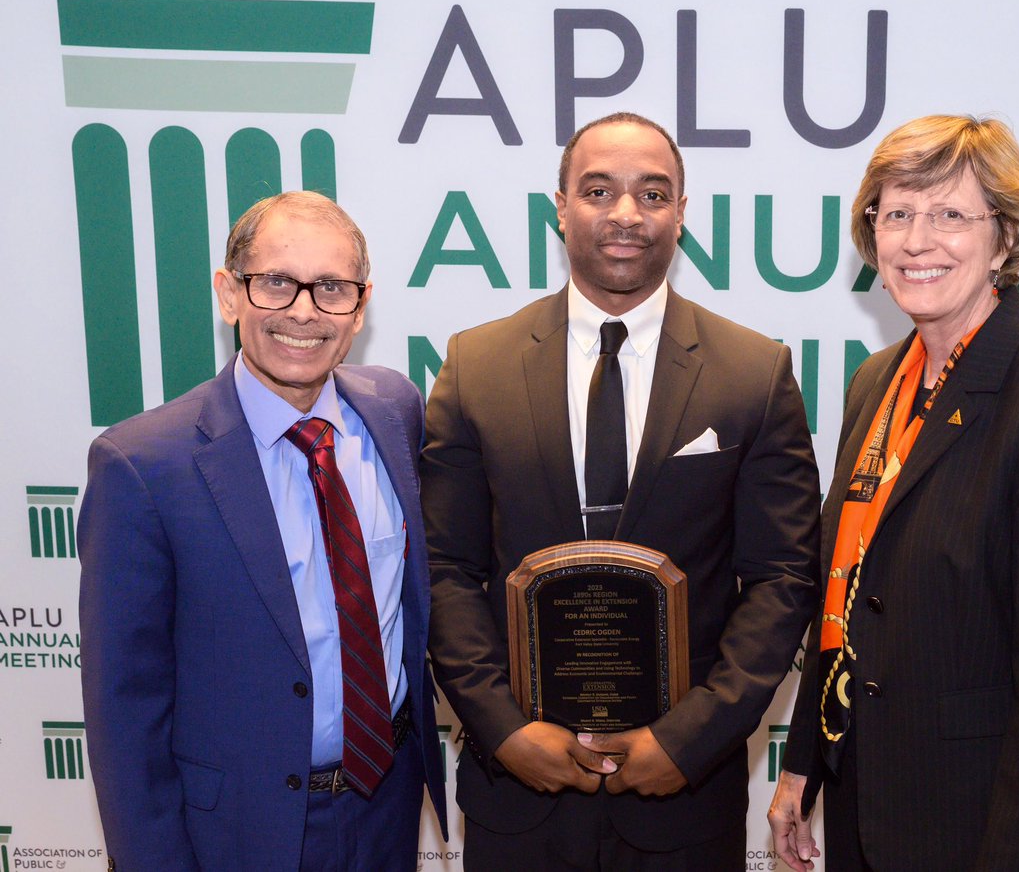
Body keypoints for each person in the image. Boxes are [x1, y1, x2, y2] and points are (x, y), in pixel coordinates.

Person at [421, 112, 822, 869]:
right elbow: (444, 571)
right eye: (599, 190)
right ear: (561, 207)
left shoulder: (753, 371)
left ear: (682, 213)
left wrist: (690, 739)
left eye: (654, 193)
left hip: (683, 798)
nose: (626, 215)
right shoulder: (477, 366)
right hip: (518, 798)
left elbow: (781, 579)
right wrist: (503, 729)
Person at [768, 115, 1019, 871]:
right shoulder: (878, 383)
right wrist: (803, 763)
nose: (916, 240)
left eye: (950, 215)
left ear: (1005, 239)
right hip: (866, 795)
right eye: (896, 213)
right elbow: (847, 591)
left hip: (982, 820)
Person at [79, 191, 447, 871]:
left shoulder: (394, 411)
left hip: (389, 805)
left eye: (331, 287)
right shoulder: (142, 467)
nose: (303, 310)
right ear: (229, 293)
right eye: (276, 282)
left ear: (361, 305)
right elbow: (124, 712)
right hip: (239, 831)